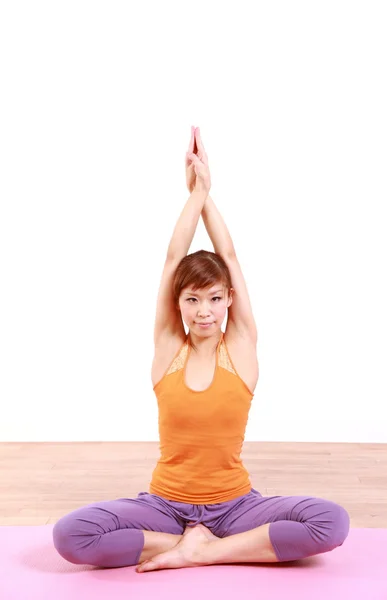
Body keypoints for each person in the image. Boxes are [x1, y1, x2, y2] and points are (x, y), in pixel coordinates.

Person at [53, 126, 350, 573]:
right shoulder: (168, 348)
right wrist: (194, 195)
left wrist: (206, 189)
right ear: (179, 304)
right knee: (70, 534)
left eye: (214, 298)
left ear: (229, 298)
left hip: (235, 507)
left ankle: (207, 549)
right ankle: (184, 541)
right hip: (164, 506)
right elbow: (173, 260)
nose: (204, 311)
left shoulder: (243, 348)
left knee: (331, 522)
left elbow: (229, 255)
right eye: (192, 300)